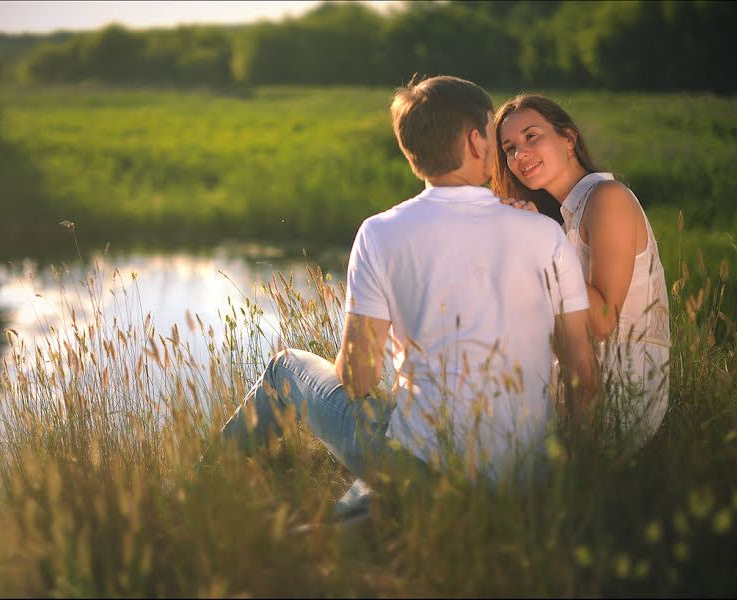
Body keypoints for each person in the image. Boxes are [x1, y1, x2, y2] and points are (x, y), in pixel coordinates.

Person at [222, 77, 598, 509]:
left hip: (422, 468)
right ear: (476, 142)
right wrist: (569, 484)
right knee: (356, 516)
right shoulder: (545, 233)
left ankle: (199, 492)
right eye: (494, 136)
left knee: (287, 367)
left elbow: (359, 380)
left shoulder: (380, 233)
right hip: (525, 478)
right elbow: (582, 378)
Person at [492, 94, 671, 450]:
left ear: (569, 139)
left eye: (531, 137)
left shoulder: (608, 198)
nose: (519, 155)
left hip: (622, 387)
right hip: (574, 385)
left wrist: (541, 242)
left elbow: (603, 321)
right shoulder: (561, 220)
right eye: (509, 148)